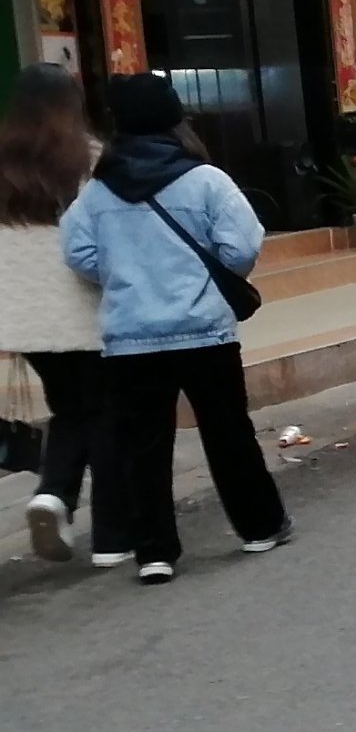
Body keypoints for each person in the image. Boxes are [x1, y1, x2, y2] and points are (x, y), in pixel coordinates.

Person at [61, 74, 290, 581]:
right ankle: (259, 527)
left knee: (142, 446)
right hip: (204, 330)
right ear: (174, 119)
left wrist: (124, 276)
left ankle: (154, 553)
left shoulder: (97, 191)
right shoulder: (206, 180)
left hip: (131, 335)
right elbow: (241, 246)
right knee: (228, 432)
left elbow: (78, 252)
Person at [3, 65, 124, 565]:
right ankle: (113, 535)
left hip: (23, 317)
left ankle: (54, 495)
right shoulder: (90, 159)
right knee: (106, 415)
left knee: (70, 408)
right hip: (83, 309)